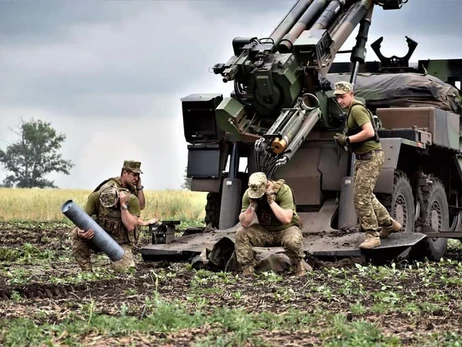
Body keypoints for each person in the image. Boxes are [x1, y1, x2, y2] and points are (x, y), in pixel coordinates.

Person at [333, 81, 402, 249]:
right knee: (366, 195)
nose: (340, 101)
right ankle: (388, 224)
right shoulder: (351, 111)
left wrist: (348, 139)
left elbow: (369, 132)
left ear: (351, 94)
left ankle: (372, 235)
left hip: (371, 158)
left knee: (361, 198)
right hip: (364, 158)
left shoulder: (357, 109)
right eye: (337, 98)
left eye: (343, 97)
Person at [235, 172, 308, 276]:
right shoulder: (249, 193)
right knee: (241, 234)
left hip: (286, 229)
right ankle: (248, 270)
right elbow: (244, 222)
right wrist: (252, 204)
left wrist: (271, 201)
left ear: (267, 184)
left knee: (293, 241)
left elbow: (286, 219)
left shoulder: (283, 190)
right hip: (265, 231)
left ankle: (297, 267)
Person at [71, 182, 141, 272]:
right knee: (75, 233)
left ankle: (117, 263)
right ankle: (87, 271)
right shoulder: (95, 197)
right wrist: (80, 230)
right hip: (100, 239)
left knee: (124, 270)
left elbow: (130, 226)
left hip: (120, 244)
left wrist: (123, 206)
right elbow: (83, 219)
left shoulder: (131, 199)